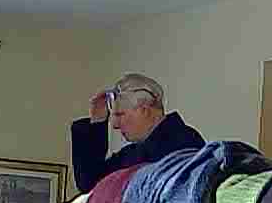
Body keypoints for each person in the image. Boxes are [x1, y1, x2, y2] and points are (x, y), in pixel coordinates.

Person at [70, 73, 205, 193]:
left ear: (144, 110)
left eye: (120, 114)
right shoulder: (131, 153)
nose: (115, 125)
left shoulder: (185, 142)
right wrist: (97, 122)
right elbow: (90, 185)